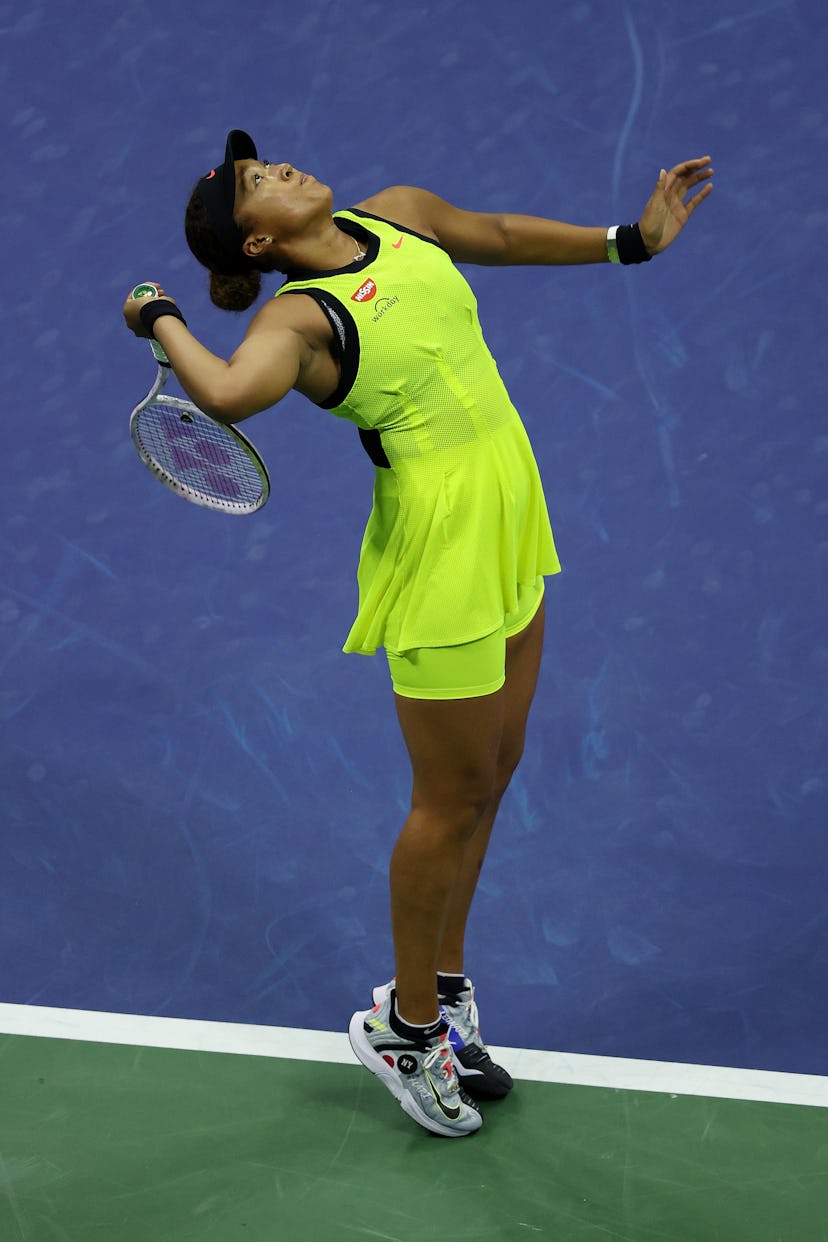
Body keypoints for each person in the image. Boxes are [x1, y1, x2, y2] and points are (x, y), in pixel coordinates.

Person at [123, 131, 713, 1138]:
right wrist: (160, 316)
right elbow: (223, 394)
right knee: (448, 801)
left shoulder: (392, 211)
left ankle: (443, 991)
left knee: (493, 773)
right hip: (439, 550)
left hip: (508, 506)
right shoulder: (300, 324)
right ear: (260, 239)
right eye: (263, 184)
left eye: (268, 161)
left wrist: (632, 240)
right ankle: (405, 1025)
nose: (288, 169)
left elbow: (488, 233)